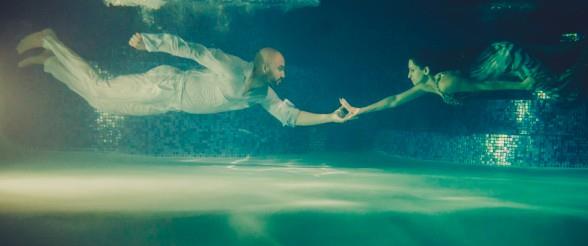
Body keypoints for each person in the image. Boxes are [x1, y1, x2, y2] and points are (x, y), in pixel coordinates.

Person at [17, 29, 349, 126]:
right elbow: (192, 49)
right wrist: (150, 42)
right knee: (100, 87)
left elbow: (289, 116)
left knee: (98, 100)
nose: (284, 72)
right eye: (280, 67)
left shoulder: (261, 96)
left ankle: (50, 64)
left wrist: (330, 118)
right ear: (263, 66)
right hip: (166, 85)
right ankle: (50, 40)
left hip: (168, 104)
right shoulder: (231, 66)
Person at [339, 41, 569, 119]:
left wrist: (521, 86)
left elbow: (483, 86)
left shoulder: (446, 83)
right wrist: (360, 110)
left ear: (426, 69)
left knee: (556, 89)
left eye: (412, 69)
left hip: (503, 57)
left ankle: (574, 68)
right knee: (552, 86)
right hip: (490, 68)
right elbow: (393, 100)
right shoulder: (426, 85)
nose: (408, 75)